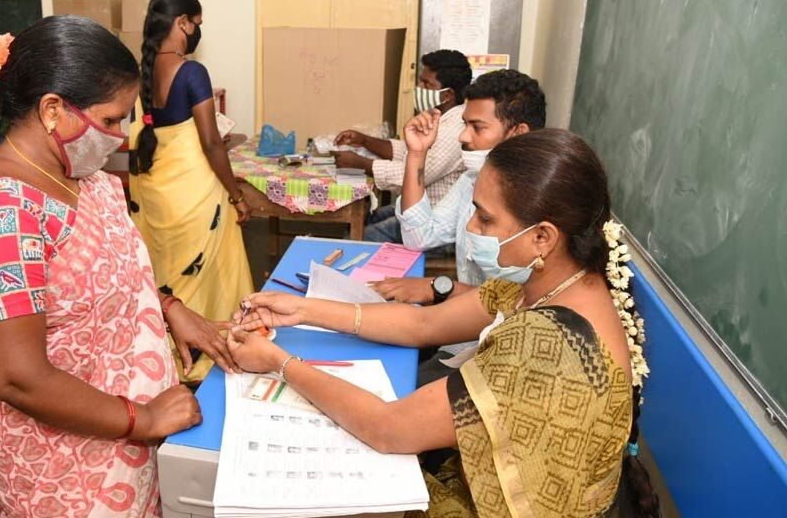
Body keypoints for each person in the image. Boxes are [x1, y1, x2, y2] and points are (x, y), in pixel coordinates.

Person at [228, 129, 660, 517]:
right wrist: (304, 309)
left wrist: (279, 362)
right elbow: (425, 327)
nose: (471, 227)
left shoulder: (546, 346)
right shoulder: (556, 281)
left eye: (486, 218)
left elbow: (388, 428)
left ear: (542, 237)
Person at [0, 16, 238, 517]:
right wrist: (141, 418)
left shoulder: (89, 178)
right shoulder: (0, 215)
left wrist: (168, 307)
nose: (122, 138)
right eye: (109, 121)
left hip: (127, 437)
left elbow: (107, 272)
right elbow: (16, 377)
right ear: (53, 110)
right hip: (67, 465)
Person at [128, 0, 254, 382]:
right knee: (208, 275)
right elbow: (212, 142)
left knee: (167, 273)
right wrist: (237, 195)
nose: (197, 31)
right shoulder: (192, 72)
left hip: (155, 195)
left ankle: (167, 353)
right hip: (196, 198)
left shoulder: (141, 73)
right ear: (182, 22)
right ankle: (210, 349)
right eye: (196, 23)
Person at [371, 69, 546, 305]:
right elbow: (419, 236)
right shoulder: (471, 180)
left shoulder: (543, 197)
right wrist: (417, 153)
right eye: (465, 125)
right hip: (464, 326)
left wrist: (441, 288)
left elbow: (522, 302)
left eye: (478, 127)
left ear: (518, 133)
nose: (463, 136)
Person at [332, 50, 473, 245]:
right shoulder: (437, 117)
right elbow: (407, 152)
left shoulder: (454, 128)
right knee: (362, 218)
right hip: (418, 208)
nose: (419, 88)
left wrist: (361, 163)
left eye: (427, 84)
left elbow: (414, 175)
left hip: (433, 223)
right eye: (420, 81)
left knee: (356, 237)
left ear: (447, 94)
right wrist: (364, 140)